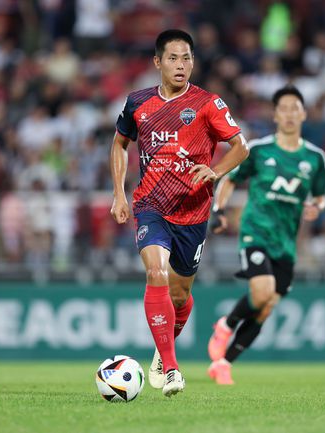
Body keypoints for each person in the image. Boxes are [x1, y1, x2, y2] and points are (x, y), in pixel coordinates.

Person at [110, 29, 249, 397]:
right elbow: (119, 144)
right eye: (173, 58)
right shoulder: (138, 102)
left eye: (186, 58)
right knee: (155, 272)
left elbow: (241, 147)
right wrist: (119, 194)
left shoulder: (207, 103)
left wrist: (216, 172)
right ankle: (172, 369)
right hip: (150, 205)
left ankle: (162, 352)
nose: (180, 65)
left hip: (193, 211)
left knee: (180, 294)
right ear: (158, 62)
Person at [206, 85, 325, 385]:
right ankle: (226, 325)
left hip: (286, 242)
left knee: (266, 306)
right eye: (283, 108)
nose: (289, 114)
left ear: (303, 114)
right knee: (261, 292)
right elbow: (230, 179)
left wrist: (316, 207)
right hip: (256, 232)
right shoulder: (259, 150)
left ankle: (223, 363)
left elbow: (321, 195)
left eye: (294, 108)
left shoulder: (315, 158)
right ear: (275, 115)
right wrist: (219, 210)